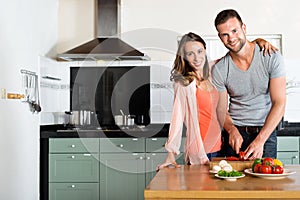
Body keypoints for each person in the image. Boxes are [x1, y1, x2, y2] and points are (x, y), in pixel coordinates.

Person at [157, 32, 277, 169]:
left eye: (199, 51)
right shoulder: (184, 84)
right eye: (190, 54)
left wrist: (257, 42)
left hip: (222, 147)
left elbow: (238, 51)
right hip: (201, 151)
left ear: (205, 51)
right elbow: (176, 119)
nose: (196, 58)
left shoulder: (215, 69)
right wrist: (171, 153)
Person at [212, 9, 286, 161]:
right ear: (220, 37)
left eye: (234, 31)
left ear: (243, 28)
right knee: (233, 183)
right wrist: (231, 129)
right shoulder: (219, 69)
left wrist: (260, 140)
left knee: (265, 183)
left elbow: (279, 103)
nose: (231, 38)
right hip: (236, 134)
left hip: (266, 132)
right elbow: (221, 109)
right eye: (225, 34)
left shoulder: (271, 57)